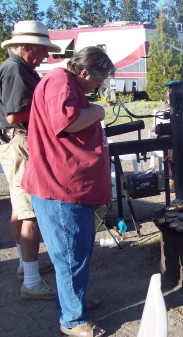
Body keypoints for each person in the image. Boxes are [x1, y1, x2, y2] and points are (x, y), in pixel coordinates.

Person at [22, 46, 114, 336]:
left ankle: (73, 299)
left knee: (77, 251)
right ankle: (73, 320)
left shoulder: (67, 82)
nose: (99, 87)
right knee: (71, 254)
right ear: (85, 71)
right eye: (98, 81)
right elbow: (69, 121)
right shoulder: (61, 82)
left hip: (68, 185)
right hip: (60, 187)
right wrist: (98, 111)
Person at [0, 20, 60, 300]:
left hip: (15, 142)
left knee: (18, 207)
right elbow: (14, 114)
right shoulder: (15, 69)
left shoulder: (18, 67)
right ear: (29, 47)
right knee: (30, 209)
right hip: (20, 141)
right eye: (42, 50)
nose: (44, 57)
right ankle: (32, 283)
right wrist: (49, 111)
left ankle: (26, 267)